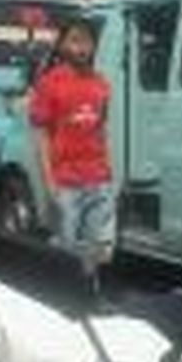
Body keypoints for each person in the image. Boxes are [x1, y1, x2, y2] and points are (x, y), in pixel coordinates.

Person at [28, 18, 114, 273]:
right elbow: (41, 136)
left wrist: (108, 172)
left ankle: (89, 295)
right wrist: (49, 182)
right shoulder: (48, 84)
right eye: (75, 40)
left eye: (87, 41)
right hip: (65, 183)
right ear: (62, 45)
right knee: (65, 251)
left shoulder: (101, 83)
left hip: (98, 181)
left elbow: (100, 129)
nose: (82, 48)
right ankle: (64, 301)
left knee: (96, 250)